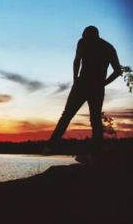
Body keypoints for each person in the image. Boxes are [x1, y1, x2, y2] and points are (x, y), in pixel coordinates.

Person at [44, 26, 122, 158]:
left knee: (84, 118)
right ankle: (50, 146)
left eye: (86, 37)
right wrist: (76, 78)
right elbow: (77, 60)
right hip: (84, 85)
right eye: (83, 37)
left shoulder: (107, 47)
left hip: (89, 86)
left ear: (94, 36)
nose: (83, 39)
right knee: (81, 117)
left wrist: (102, 83)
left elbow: (117, 71)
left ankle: (95, 152)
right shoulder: (90, 43)